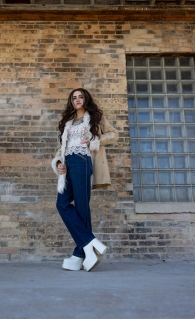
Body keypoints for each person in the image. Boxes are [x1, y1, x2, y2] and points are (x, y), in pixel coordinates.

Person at [51, 88, 119, 271]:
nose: (77, 100)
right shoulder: (67, 121)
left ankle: (79, 253)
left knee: (81, 205)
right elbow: (61, 148)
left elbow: (114, 134)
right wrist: (58, 163)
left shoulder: (95, 116)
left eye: (80, 97)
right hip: (68, 163)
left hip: (82, 161)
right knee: (62, 204)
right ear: (71, 101)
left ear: (86, 99)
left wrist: (93, 141)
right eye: (74, 97)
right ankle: (89, 243)